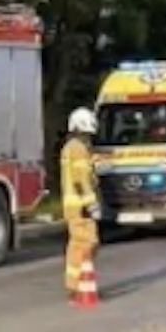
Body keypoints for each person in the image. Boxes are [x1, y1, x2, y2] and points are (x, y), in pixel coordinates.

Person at [60, 108, 102, 297]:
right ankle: (78, 284)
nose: (89, 139)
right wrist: (91, 204)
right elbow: (80, 180)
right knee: (86, 243)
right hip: (80, 206)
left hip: (75, 205)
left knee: (81, 243)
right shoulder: (77, 149)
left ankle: (77, 283)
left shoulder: (72, 147)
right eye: (88, 134)